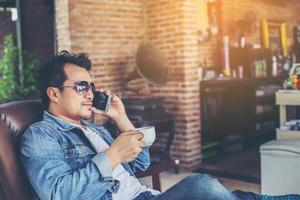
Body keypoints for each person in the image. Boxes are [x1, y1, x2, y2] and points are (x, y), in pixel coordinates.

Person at [19, 50, 300, 200]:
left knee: (217, 193)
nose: (90, 93)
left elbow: (141, 164)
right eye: (81, 86)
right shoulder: (40, 135)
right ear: (53, 93)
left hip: (147, 196)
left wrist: (122, 120)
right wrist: (113, 154)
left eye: (91, 86)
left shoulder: (95, 129)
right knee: (203, 186)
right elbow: (58, 194)